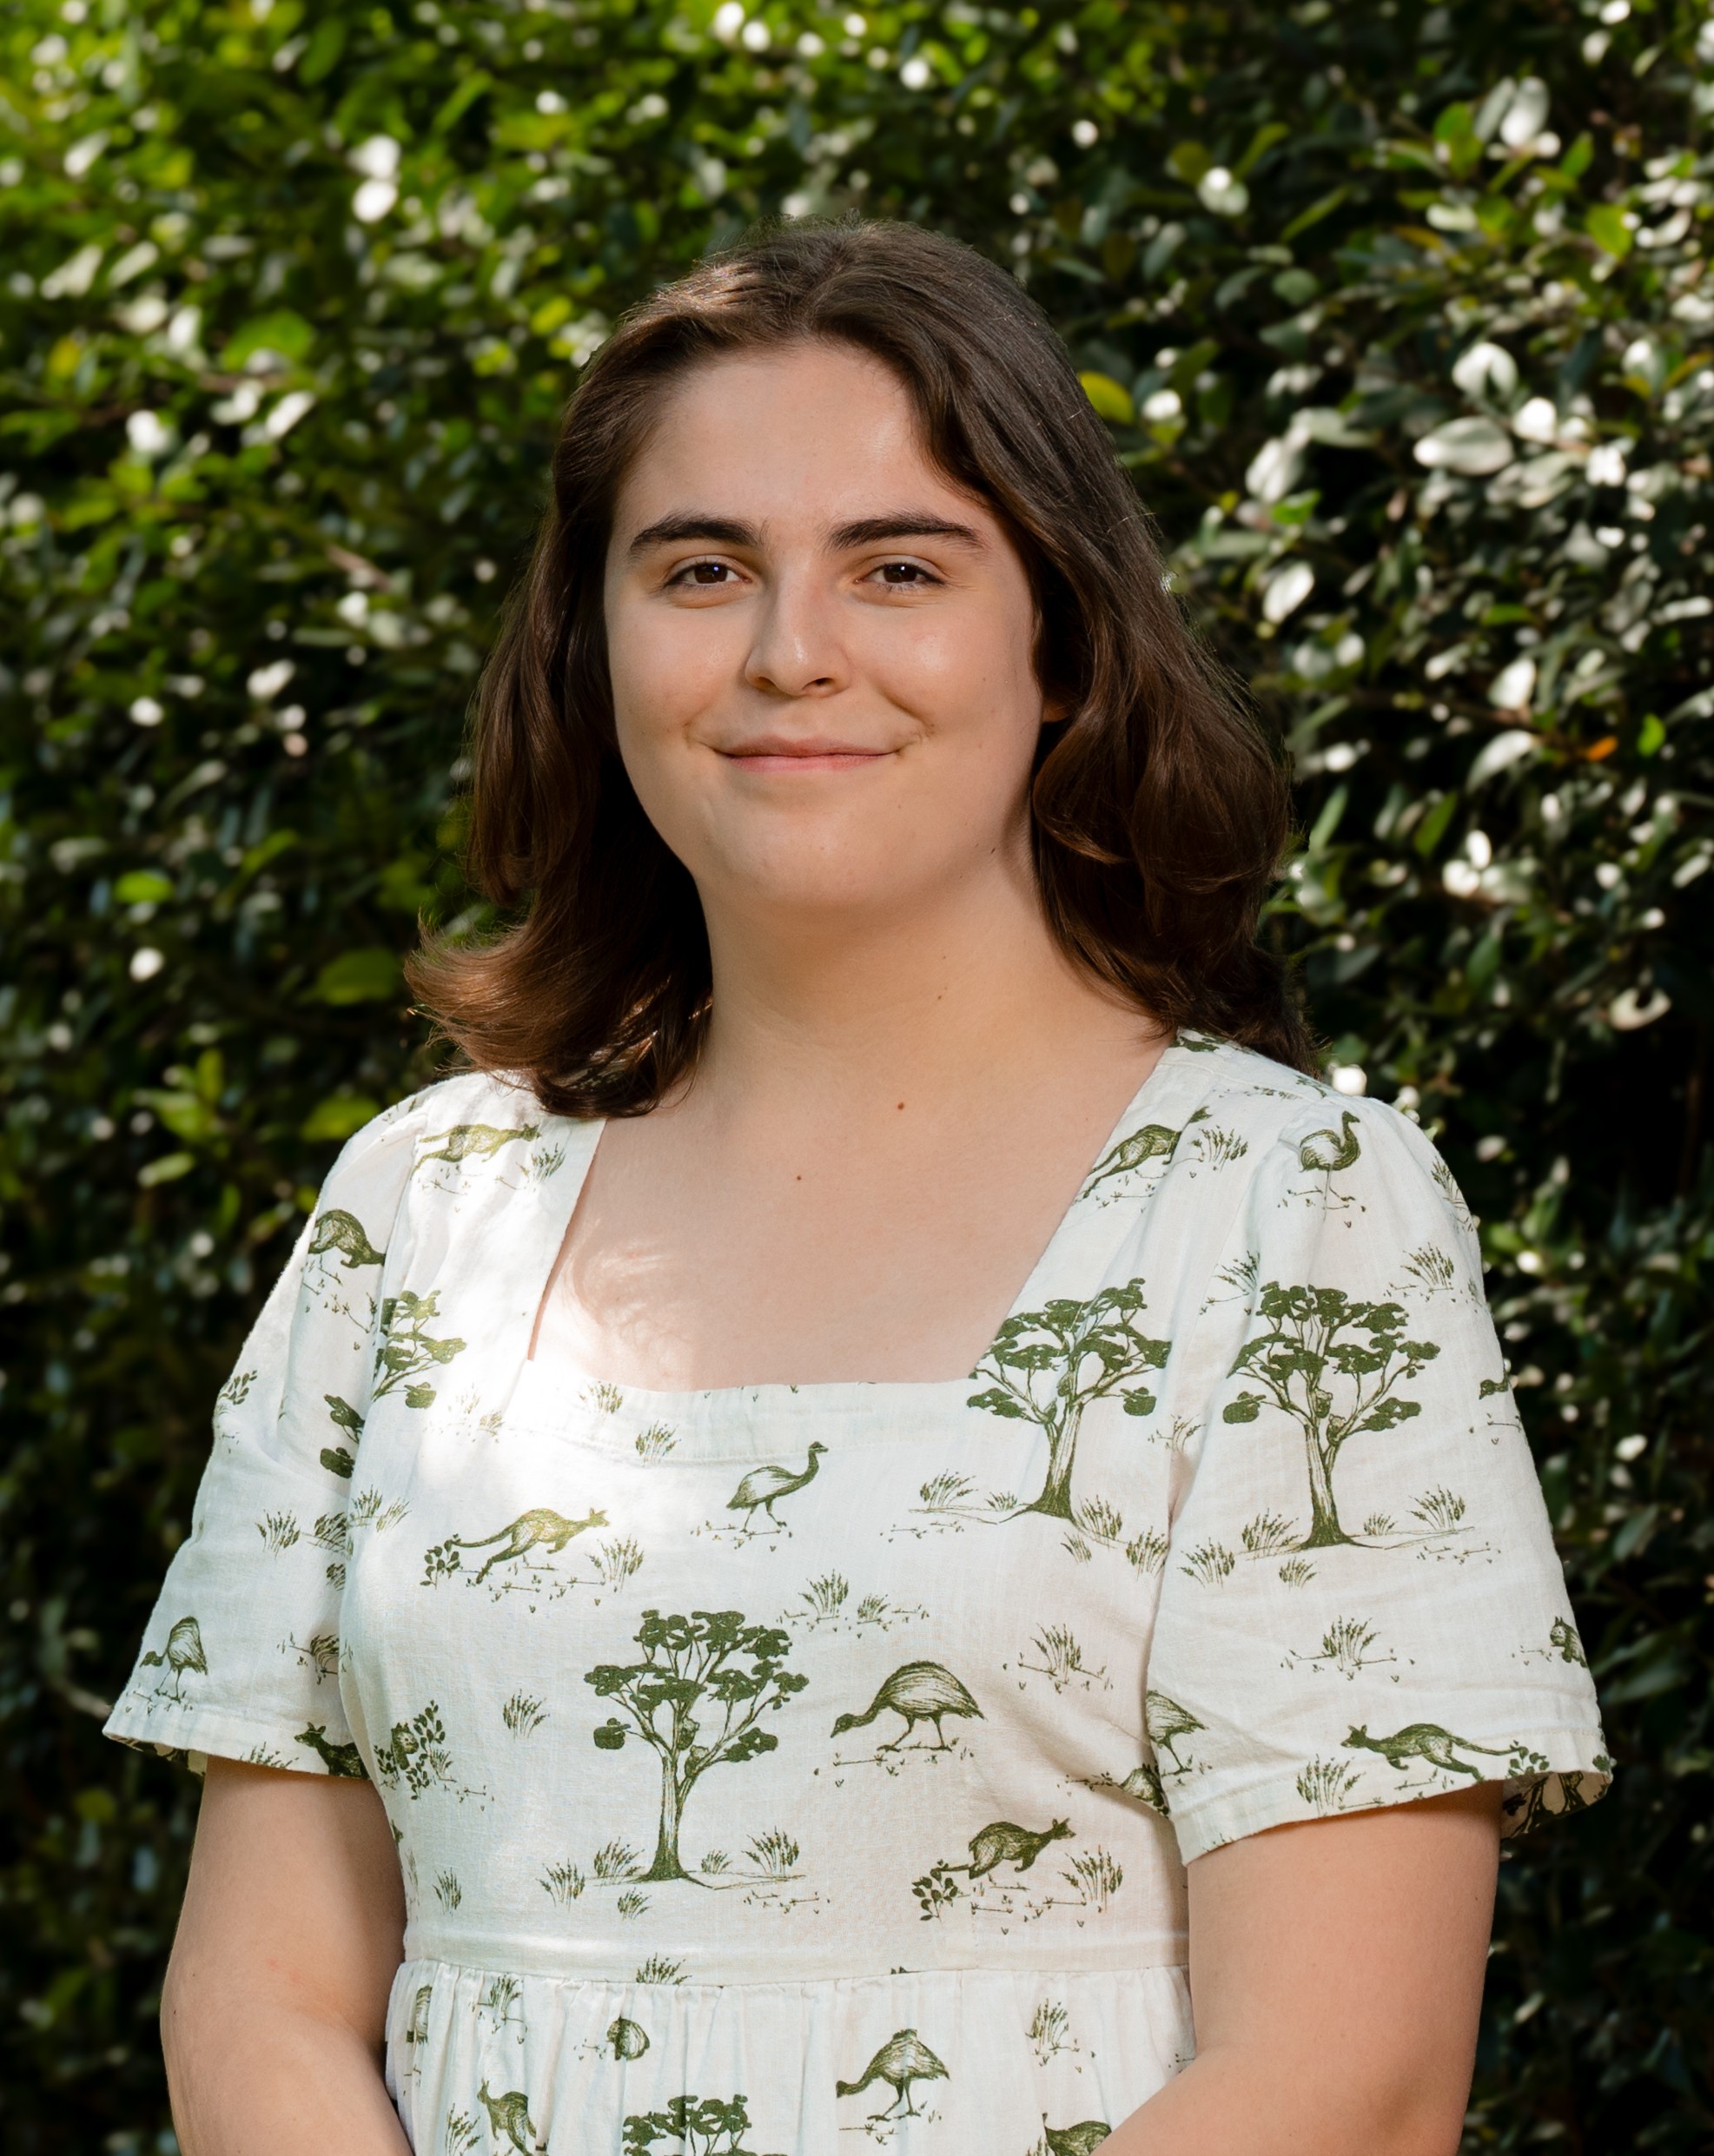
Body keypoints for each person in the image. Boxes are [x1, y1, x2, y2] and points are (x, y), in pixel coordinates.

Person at [108, 221, 1608, 2156]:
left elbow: (1351, 2079)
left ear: (1059, 643)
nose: (788, 651)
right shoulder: (417, 1211)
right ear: (590, 641)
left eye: (899, 566)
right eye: (700, 568)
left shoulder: (1291, 1214)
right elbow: (261, 1996)